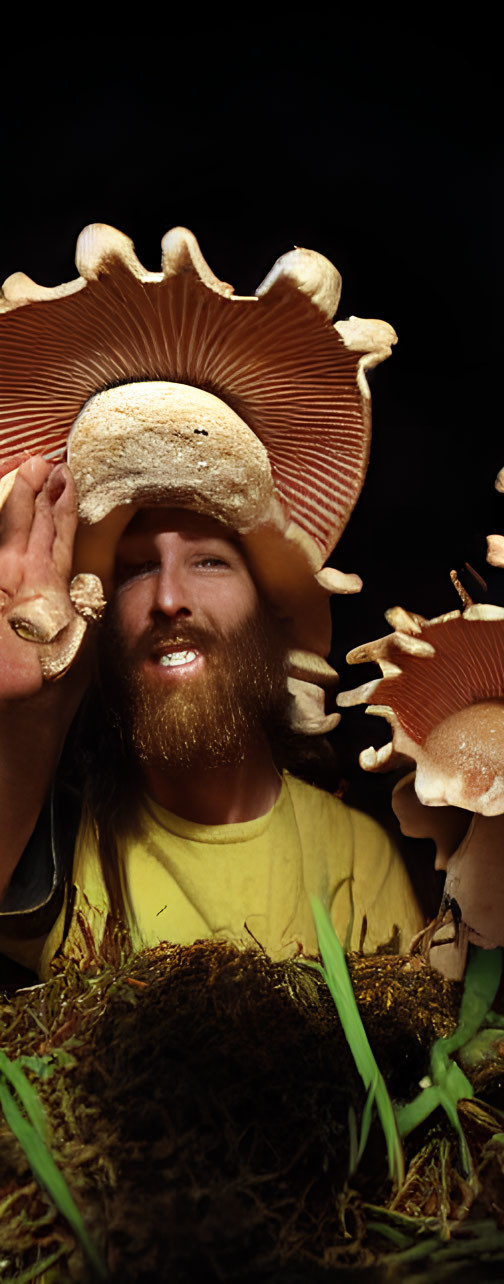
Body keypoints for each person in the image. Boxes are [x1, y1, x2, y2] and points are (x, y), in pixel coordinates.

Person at [0, 226, 424, 980]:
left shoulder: (357, 857)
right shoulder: (53, 836)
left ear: (270, 610)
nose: (168, 598)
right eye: (132, 571)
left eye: (207, 560)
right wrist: (30, 718)